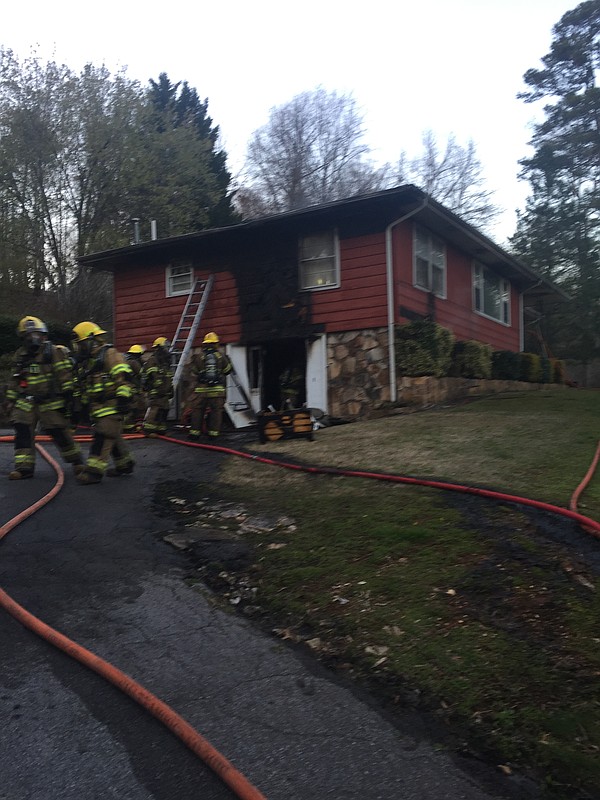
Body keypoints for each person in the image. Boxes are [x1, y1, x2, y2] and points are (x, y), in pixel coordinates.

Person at [3, 316, 84, 480]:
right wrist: (10, 400)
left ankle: (77, 462)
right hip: (26, 402)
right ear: (23, 337)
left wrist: (69, 396)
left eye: (37, 334)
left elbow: (64, 375)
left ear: (43, 335)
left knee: (59, 433)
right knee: (22, 431)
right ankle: (24, 468)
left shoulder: (53, 352)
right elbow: (15, 380)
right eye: (29, 335)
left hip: (50, 401)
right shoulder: (21, 355)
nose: (33, 338)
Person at [71, 321, 135, 484]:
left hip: (112, 405)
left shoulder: (109, 354)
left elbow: (124, 376)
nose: (79, 348)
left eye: (81, 344)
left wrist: (123, 398)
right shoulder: (90, 362)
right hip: (99, 408)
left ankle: (94, 472)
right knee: (112, 435)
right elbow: (87, 388)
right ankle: (125, 464)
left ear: (91, 340)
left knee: (103, 435)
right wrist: (82, 408)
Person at [188, 331, 233, 440]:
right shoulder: (220, 356)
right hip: (217, 391)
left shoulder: (198, 356)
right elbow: (228, 371)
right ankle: (213, 434)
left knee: (197, 411)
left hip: (201, 391)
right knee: (216, 412)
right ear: (216, 343)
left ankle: (195, 434)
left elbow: (193, 372)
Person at [141, 337, 173, 436]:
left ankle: (160, 429)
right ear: (159, 348)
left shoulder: (163, 361)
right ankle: (148, 430)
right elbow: (153, 375)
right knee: (155, 409)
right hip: (156, 390)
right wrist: (159, 386)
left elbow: (168, 375)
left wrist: (170, 388)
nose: (167, 350)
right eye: (165, 347)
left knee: (164, 409)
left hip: (164, 391)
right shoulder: (153, 360)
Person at [123, 344, 146, 432]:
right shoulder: (134, 362)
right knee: (133, 407)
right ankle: (128, 427)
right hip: (132, 387)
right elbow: (141, 373)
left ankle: (127, 426)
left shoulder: (125, 361)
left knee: (127, 406)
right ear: (138, 354)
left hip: (125, 387)